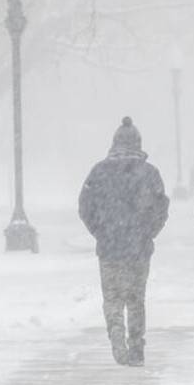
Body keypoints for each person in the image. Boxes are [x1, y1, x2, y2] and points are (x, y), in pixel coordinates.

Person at [79, 117, 170, 366]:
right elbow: (161, 207)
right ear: (138, 143)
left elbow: (85, 207)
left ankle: (117, 335)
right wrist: (149, 232)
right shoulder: (149, 173)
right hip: (139, 246)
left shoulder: (98, 172)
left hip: (109, 247)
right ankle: (137, 345)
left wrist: (100, 230)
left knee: (112, 297)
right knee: (136, 297)